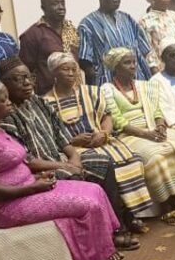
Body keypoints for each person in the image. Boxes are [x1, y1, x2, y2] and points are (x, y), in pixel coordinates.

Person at [0, 71, 128, 260]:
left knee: (96, 191)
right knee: (88, 205)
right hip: (10, 206)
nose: (9, 102)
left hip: (29, 188)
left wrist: (38, 176)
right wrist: (32, 188)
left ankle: (96, 253)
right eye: (2, 100)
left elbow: (18, 163)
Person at [0, 56, 140, 256]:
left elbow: (62, 137)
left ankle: (117, 228)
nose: (26, 83)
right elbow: (25, 159)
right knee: (72, 177)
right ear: (2, 84)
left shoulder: (39, 102)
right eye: (17, 80)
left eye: (28, 78)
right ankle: (95, 246)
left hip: (61, 160)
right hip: (39, 171)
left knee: (103, 162)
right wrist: (63, 166)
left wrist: (74, 158)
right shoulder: (6, 115)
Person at [43, 52, 154, 235]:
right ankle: (116, 221)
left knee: (132, 159)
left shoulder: (91, 91)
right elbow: (51, 133)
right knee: (107, 165)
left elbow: (107, 116)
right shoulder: (46, 101)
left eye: (74, 69)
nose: (71, 73)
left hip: (101, 140)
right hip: (74, 149)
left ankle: (130, 213)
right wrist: (72, 140)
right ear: (54, 73)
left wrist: (104, 133)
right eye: (65, 70)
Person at [101, 48, 175, 225]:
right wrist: (146, 134)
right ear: (116, 67)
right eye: (126, 63)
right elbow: (118, 121)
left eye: (133, 62)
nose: (132, 66)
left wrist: (159, 125)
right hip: (129, 134)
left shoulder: (145, 86)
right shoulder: (108, 90)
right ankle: (167, 205)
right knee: (156, 156)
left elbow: (157, 110)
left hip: (152, 128)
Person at [79, 0, 153, 86]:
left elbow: (144, 49)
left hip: (135, 77)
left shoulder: (127, 19)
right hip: (107, 80)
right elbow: (85, 60)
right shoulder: (88, 24)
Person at [19, 0, 81, 95]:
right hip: (49, 95)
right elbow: (27, 70)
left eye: (62, 3)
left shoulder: (72, 30)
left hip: (76, 92)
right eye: (55, 4)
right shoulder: (32, 35)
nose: (61, 7)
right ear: (43, 8)